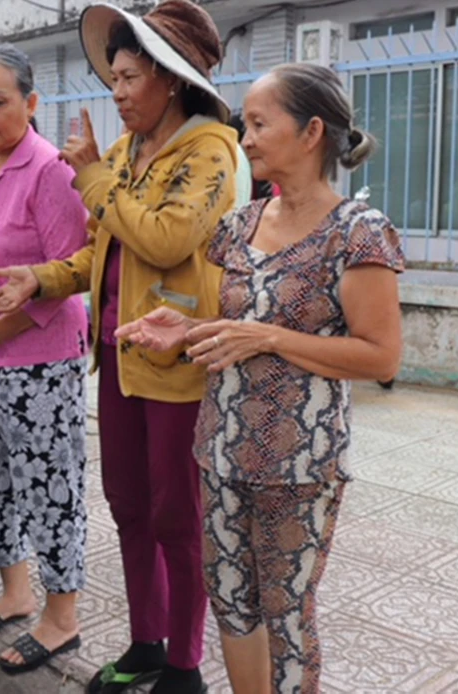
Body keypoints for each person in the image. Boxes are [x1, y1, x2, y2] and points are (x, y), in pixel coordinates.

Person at [117, 63, 403, 693]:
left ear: (311, 133)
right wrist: (184, 329)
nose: (243, 138)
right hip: (220, 450)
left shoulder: (358, 233)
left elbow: (381, 356)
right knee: (231, 601)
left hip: (298, 466)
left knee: (286, 615)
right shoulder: (239, 227)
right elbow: (235, 327)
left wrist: (270, 338)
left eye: (257, 123)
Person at [0, 3, 239, 691]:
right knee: (128, 504)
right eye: (116, 77)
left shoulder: (211, 149)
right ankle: (146, 642)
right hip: (117, 356)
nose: (117, 91)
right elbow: (100, 251)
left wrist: (92, 177)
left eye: (130, 78)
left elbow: (165, 238)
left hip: (178, 362)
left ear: (171, 80)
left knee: (177, 516)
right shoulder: (126, 152)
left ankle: (185, 665)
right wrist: (38, 277)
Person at [0, 44, 90, 675]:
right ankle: (15, 591)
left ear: (31, 103)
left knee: (48, 486)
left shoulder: (50, 170)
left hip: (37, 359)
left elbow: (66, 276)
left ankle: (61, 617)